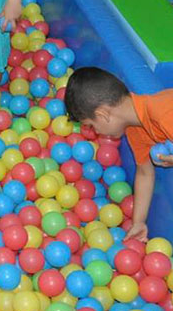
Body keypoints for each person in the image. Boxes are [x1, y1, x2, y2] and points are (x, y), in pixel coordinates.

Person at [64, 67, 173, 241]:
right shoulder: (136, 129)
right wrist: (138, 222)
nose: (96, 133)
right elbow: (145, 173)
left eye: (91, 125)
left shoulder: (163, 111)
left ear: (102, 114)